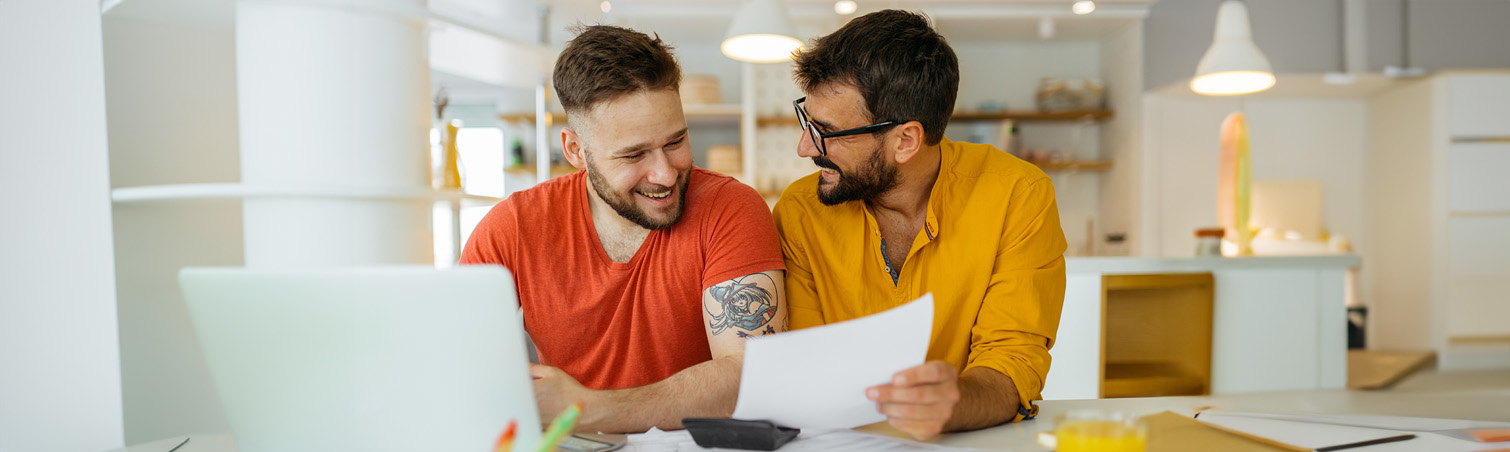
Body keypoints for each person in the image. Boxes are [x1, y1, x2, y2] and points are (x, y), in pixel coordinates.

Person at [461, 25, 786, 433]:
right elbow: (458, 363)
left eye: (676, 141)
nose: (665, 174)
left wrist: (588, 408)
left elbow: (751, 375)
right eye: (634, 154)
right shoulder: (511, 228)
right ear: (576, 150)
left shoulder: (730, 208)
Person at [772, 10, 1068, 439]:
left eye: (827, 131)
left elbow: (1014, 359)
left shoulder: (1017, 193)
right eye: (807, 121)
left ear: (906, 140)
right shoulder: (800, 210)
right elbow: (807, 365)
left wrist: (955, 402)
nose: (804, 147)